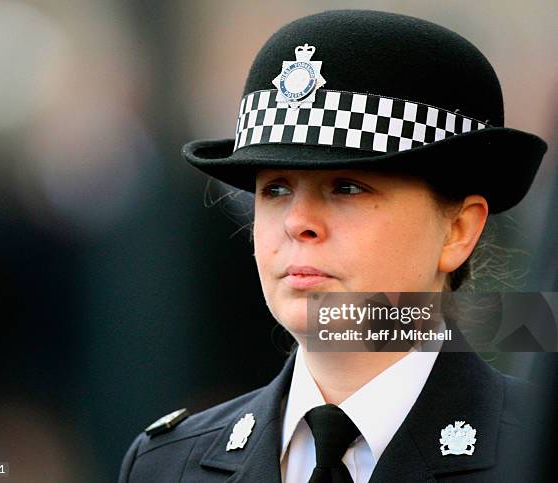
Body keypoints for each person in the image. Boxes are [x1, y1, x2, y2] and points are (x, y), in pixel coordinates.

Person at [119, 10, 551, 483]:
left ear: (457, 231)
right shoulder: (165, 465)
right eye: (276, 189)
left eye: (347, 187)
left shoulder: (533, 454)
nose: (298, 222)